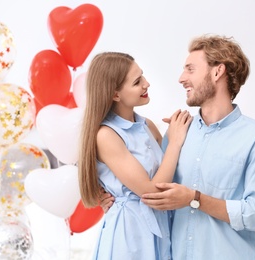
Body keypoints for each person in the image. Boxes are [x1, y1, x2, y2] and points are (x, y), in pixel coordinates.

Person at [139, 35, 255, 259]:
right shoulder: (177, 132)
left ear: (217, 72)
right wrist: (111, 196)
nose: (181, 78)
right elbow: (154, 192)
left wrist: (194, 198)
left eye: (190, 69)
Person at [78, 52, 192, 260]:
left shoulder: (146, 125)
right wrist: (174, 141)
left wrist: (178, 132)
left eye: (143, 76)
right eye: (137, 81)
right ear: (115, 94)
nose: (147, 84)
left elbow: (169, 170)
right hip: (130, 232)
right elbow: (150, 192)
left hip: (160, 223)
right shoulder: (106, 135)